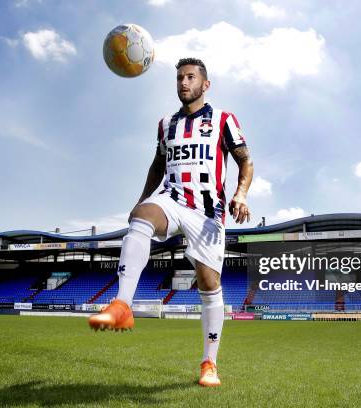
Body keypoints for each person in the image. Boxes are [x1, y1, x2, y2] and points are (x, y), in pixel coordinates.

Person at [89, 57, 254, 387]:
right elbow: (157, 165)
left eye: (190, 77)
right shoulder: (166, 124)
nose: (183, 82)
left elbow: (245, 160)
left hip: (207, 211)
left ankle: (209, 363)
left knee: (209, 285)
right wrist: (142, 200)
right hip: (172, 197)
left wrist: (241, 194)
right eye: (179, 77)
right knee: (141, 218)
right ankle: (122, 304)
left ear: (205, 84)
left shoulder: (224, 119)